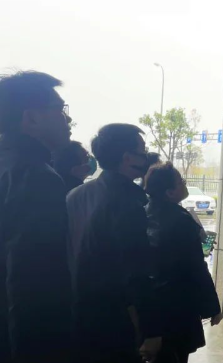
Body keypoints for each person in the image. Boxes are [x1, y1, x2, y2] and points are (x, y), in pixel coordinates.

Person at [0, 71, 73, 363]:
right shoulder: (35, 176)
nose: (68, 119)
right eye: (60, 109)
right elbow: (31, 281)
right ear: (32, 118)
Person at [67, 124, 162, 363]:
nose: (146, 157)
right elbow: (137, 269)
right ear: (128, 158)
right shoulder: (127, 202)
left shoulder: (76, 195)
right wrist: (151, 330)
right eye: (142, 151)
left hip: (78, 311)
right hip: (116, 317)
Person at [145, 162, 223, 363]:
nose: (185, 184)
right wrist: (212, 307)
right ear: (170, 193)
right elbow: (196, 267)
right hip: (176, 306)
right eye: (181, 182)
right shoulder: (180, 220)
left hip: (148, 306)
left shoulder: (142, 214)